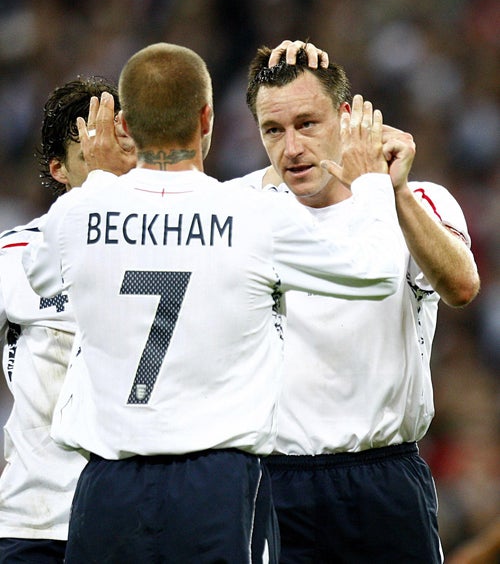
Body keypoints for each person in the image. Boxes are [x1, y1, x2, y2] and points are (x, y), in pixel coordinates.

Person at [22, 42, 407, 563]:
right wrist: (374, 186)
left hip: (107, 486)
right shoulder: (251, 215)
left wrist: (101, 187)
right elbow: (379, 272)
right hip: (217, 488)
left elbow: (41, 275)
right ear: (207, 119)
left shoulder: (79, 211)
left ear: (127, 126)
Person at [242, 41, 481, 563]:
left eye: (308, 123)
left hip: (386, 478)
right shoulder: (245, 213)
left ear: (348, 119)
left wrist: (389, 190)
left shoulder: (421, 200)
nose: (292, 148)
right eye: (273, 130)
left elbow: (462, 286)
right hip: (280, 483)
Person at [0, 76, 131, 564]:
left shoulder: (178, 248)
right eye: (92, 155)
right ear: (59, 169)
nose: (114, 167)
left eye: (121, 146)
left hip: (136, 517)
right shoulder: (14, 257)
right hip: (38, 522)